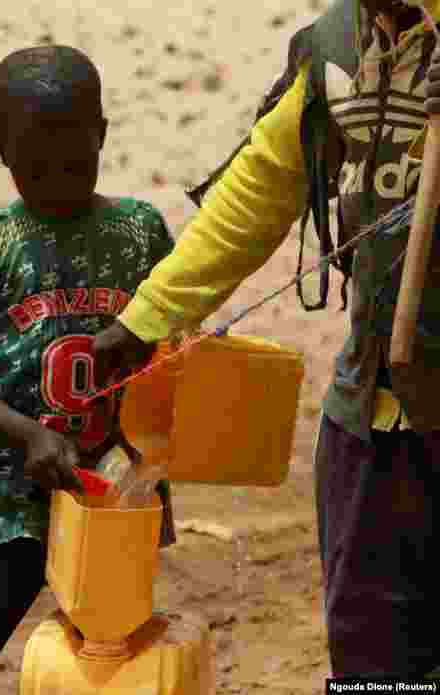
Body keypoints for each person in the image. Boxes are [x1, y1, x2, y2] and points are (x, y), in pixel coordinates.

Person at [91, 0, 440, 679]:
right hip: (378, 412)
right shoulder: (338, 45)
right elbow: (256, 193)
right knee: (375, 652)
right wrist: (147, 318)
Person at [0, 44, 177, 695]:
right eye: (34, 166)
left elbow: (176, 339)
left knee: (108, 660)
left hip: (113, 493)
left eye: (74, 160)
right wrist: (27, 434)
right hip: (3, 496)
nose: (56, 179)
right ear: (2, 150)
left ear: (101, 133)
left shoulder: (139, 233)